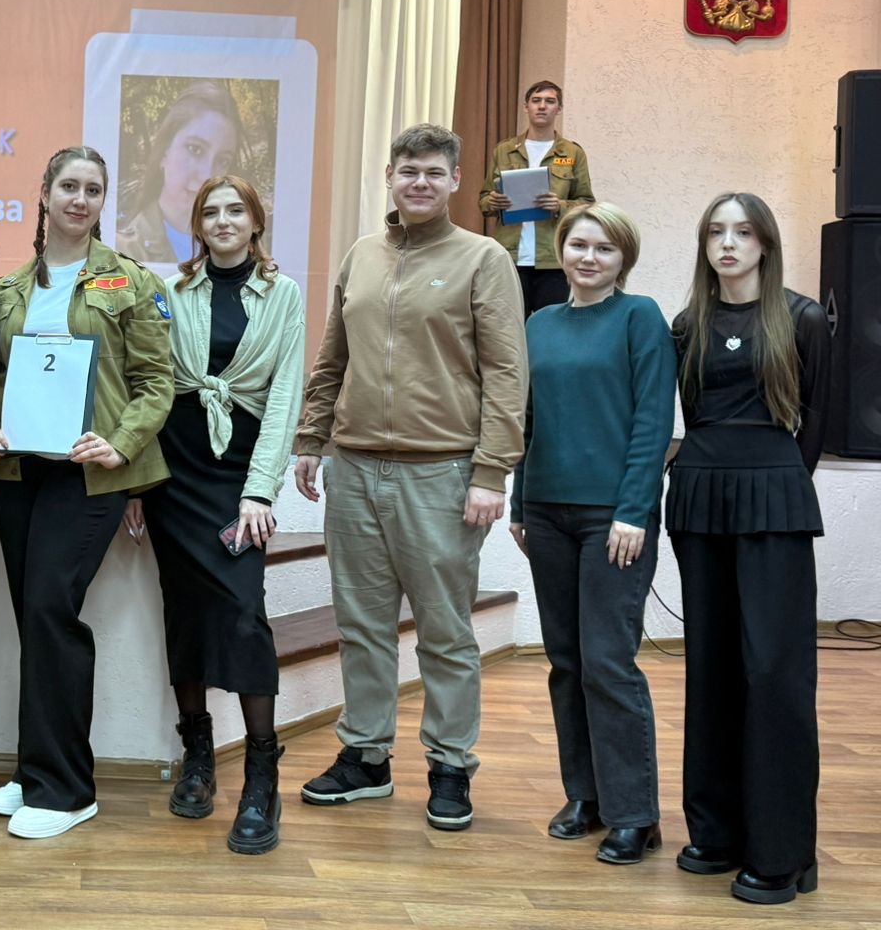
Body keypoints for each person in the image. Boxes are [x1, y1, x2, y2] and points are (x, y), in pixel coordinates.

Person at [293, 123, 525, 832]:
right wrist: (311, 437)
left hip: (443, 475)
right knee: (362, 626)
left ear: (454, 180)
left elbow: (507, 374)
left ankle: (450, 766)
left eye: (432, 172)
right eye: (407, 171)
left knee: (445, 632)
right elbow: (333, 356)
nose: (419, 182)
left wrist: (491, 472)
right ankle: (366, 757)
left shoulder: (483, 259)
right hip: (354, 468)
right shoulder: (361, 256)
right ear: (389, 178)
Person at [0, 145, 174, 839]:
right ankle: (36, 770)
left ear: (102, 201)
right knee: (35, 619)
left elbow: (156, 382)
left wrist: (121, 442)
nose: (80, 199)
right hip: (19, 475)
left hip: (91, 475)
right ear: (45, 194)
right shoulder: (8, 290)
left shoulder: (129, 283)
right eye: (69, 187)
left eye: (93, 189)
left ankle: (67, 790)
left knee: (52, 608)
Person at [121, 175, 304, 855]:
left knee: (242, 615)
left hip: (238, 477)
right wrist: (137, 482)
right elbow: (151, 385)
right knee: (185, 612)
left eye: (236, 211)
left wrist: (261, 492)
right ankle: (197, 758)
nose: (223, 221)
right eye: (211, 212)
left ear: (256, 222)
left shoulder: (283, 294)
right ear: (196, 225)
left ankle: (261, 778)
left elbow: (283, 398)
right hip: (174, 472)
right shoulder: (173, 291)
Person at [667, 192, 828, 906]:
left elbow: (814, 426)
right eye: (716, 232)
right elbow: (691, 413)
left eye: (742, 232)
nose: (727, 244)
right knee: (712, 667)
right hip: (700, 495)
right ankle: (718, 832)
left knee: (774, 672)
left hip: (774, 495)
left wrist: (777, 481)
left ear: (765, 243)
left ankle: (783, 852)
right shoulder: (686, 324)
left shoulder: (802, 317)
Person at [506, 202, 675, 864]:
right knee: (567, 662)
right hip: (546, 512)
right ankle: (586, 797)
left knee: (608, 662)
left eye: (605, 248)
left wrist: (634, 509)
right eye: (579, 245)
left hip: (614, 517)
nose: (589, 257)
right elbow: (529, 419)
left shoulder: (640, 318)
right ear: (562, 250)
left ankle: (635, 814)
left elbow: (652, 421)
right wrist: (520, 501)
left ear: (623, 258)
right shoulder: (540, 324)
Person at [477, 81, 595, 315]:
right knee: (509, 324)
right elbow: (483, 200)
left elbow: (587, 204)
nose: (542, 106)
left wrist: (560, 206)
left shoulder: (572, 153)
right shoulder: (504, 150)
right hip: (510, 256)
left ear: (558, 109)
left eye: (550, 101)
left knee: (548, 325)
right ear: (526, 107)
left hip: (552, 258)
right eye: (536, 100)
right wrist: (493, 202)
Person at [116, 80, 242, 263]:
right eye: (195, 149)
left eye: (222, 161)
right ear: (164, 153)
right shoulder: (123, 251)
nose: (208, 175)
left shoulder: (241, 248)